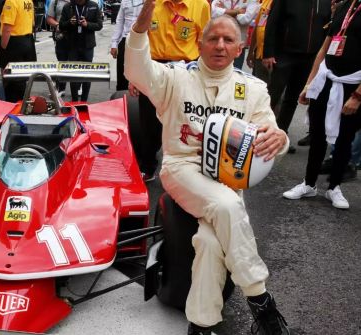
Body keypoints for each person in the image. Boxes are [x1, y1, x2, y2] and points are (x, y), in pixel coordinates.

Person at [125, 3, 291, 333]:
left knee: (211, 243)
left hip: (226, 178)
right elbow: (136, 66)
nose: (219, 45)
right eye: (213, 38)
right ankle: (259, 298)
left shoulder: (254, 89)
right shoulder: (173, 77)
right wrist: (144, 17)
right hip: (182, 169)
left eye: (228, 40)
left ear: (239, 48)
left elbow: (271, 132)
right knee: (228, 205)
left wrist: (280, 138)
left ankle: (201, 324)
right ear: (199, 42)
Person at [283, 0, 361, 210]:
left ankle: (334, 186)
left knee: (344, 139)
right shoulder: (346, 6)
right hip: (326, 79)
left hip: (351, 85)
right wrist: (309, 83)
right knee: (317, 135)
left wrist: (357, 96)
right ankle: (309, 184)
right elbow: (324, 48)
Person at [128, 0, 210, 181]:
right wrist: (136, 75)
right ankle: (148, 166)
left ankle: (183, 172)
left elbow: (204, 42)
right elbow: (140, 38)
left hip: (185, 69)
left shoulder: (201, 5)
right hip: (154, 68)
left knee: (183, 123)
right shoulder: (151, 4)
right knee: (148, 121)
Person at [262, 0, 331, 154]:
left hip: (309, 57)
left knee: (292, 99)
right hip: (284, 53)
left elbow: (327, 27)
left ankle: (281, 135)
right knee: (271, 96)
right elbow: (273, 22)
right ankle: (260, 133)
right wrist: (268, 52)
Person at [59, 0, 102, 102]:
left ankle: (84, 101)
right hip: (72, 46)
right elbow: (61, 25)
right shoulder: (68, 7)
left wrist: (87, 25)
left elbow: (99, 25)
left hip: (88, 46)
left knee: (87, 73)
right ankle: (74, 100)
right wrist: (69, 23)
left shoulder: (94, 6)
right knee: (73, 74)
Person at [0, 0, 37, 102]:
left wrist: (3, 48)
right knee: (23, 78)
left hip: (14, 43)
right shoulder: (29, 1)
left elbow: (7, 28)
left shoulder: (11, 2)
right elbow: (33, 23)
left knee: (10, 79)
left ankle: (11, 105)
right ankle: (22, 103)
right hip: (28, 41)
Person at [210, 0, 259, 69]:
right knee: (216, 72)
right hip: (219, 42)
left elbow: (245, 19)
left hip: (238, 45)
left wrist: (225, 11)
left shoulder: (251, 1)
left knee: (235, 73)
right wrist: (237, 12)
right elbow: (213, 13)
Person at [109, 0, 143, 91]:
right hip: (125, 40)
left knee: (141, 75)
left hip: (142, 40)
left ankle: (140, 101)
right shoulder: (125, 1)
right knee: (122, 73)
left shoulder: (150, 2)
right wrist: (114, 43)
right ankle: (121, 98)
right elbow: (119, 21)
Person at [46, 0, 71, 96]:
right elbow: (49, 18)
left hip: (75, 36)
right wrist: (57, 25)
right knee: (61, 61)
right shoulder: (55, 2)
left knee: (75, 61)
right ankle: (61, 88)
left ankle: (78, 85)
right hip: (61, 35)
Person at [245, 0, 272, 83]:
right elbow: (257, 28)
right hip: (259, 56)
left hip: (274, 59)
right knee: (257, 88)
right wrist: (250, 52)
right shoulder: (265, 3)